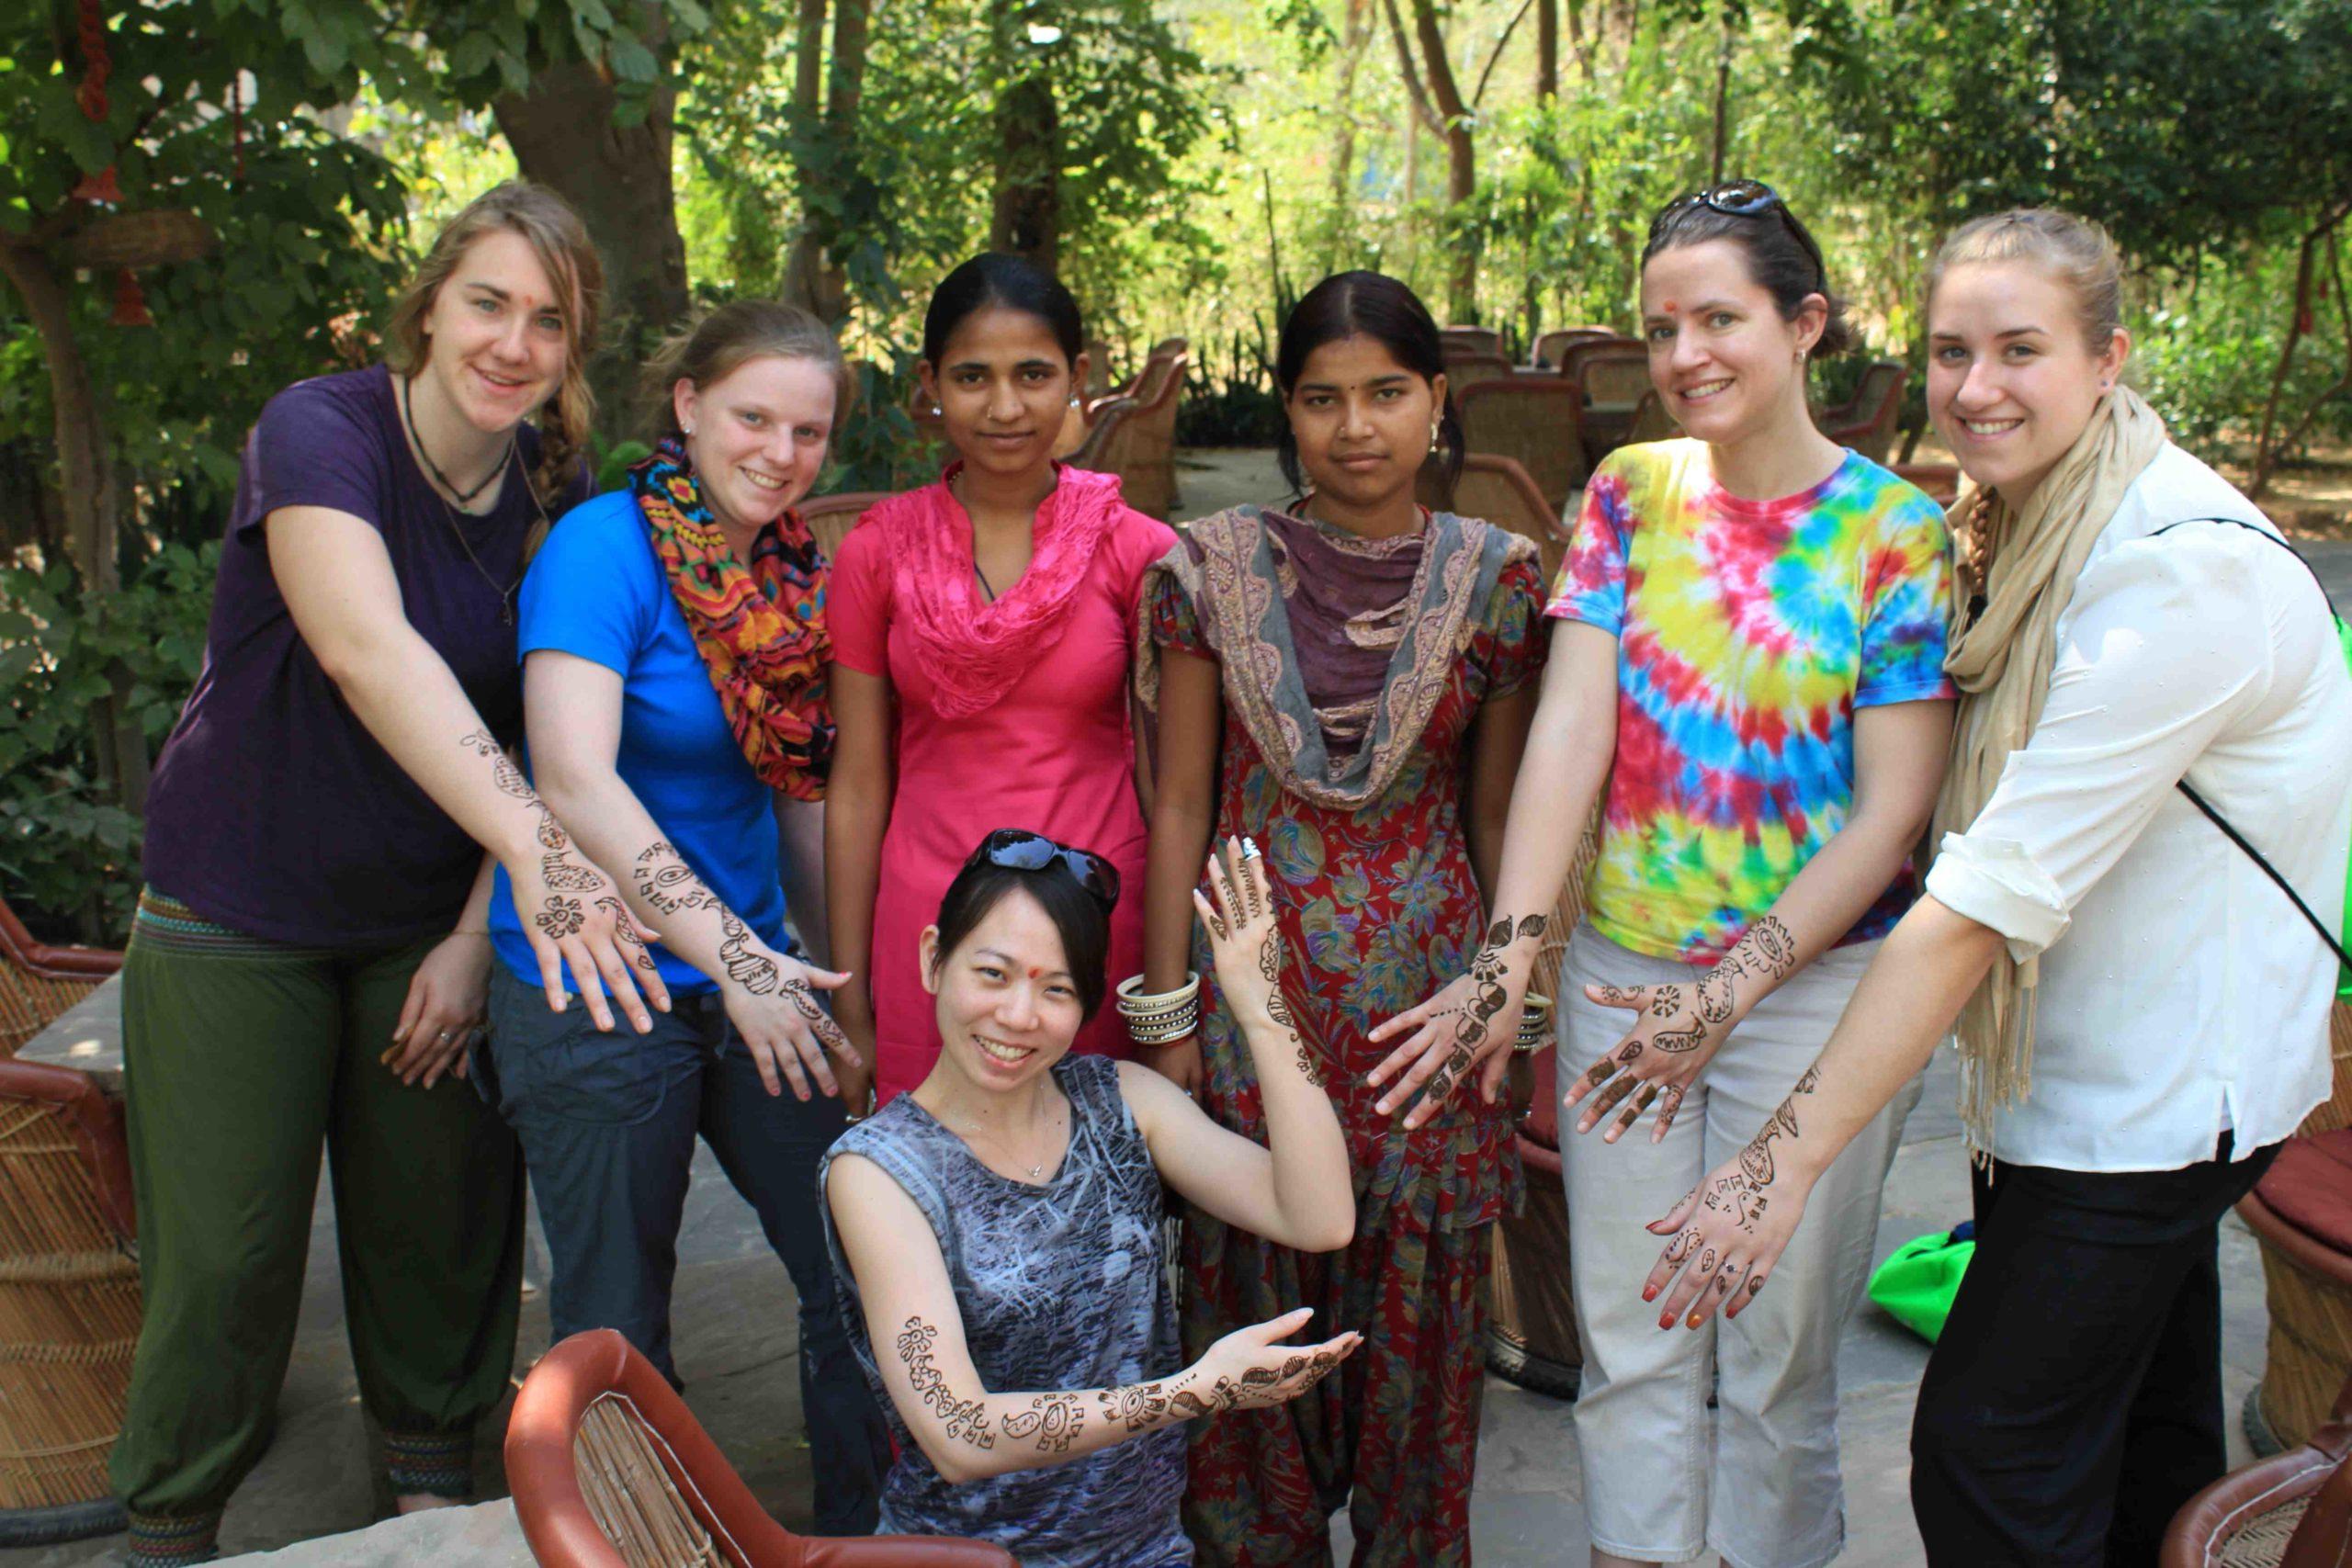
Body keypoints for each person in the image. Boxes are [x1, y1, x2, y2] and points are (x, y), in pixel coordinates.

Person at [1638, 208, 2352, 1566]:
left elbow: (1972, 904)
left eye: (2021, 349)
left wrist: (1779, 1164)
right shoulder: (2032, 531)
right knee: (2143, 1436)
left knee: (1988, 1453)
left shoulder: (2173, 576)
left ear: (2107, 358)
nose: (1977, 390)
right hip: (2093, 1077)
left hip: (2149, 1106)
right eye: (1952, 351)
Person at [1374, 182, 1959, 1568]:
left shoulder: (1895, 530)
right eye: (1661, 327)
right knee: (1631, 1338)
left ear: (1804, 323)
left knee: (1777, 1351)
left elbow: (1893, 814)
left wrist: (1737, 983)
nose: (1685, 352)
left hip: (1821, 998)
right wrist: (1513, 954)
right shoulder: (1632, 494)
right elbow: (1572, 730)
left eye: (1720, 318)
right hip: (1623, 986)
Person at [119, 182, 659, 1567]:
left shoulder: (555, 498)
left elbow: (547, 736)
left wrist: (483, 926)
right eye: (488, 301)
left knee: (442, 1230)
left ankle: (430, 1497)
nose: (513, 341)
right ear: (430, 305)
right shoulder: (322, 428)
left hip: (427, 917)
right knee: (230, 1256)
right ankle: (169, 1520)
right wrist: (543, 861)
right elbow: (370, 651)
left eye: (550, 319)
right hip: (236, 902)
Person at [1136, 270, 1546, 1565]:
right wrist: (1167, 1015)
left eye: (1385, 393)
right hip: (1264, 1002)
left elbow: (1496, 821)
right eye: (1322, 398)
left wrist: (1510, 1002)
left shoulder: (1499, 582)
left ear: (1437, 402)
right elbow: (1186, 800)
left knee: (1423, 1366)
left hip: (1432, 1012)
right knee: (1253, 1307)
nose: (1355, 426)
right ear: (1288, 411)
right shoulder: (1206, 571)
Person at [479, 299, 888, 1530]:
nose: (781, 451)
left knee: (861, 1254)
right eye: (755, 416)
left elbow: (803, 799)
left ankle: (864, 1534)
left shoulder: (789, 570)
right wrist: (745, 961)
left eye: (809, 430)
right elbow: (572, 775)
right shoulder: (603, 547)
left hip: (750, 964)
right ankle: (645, 1544)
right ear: (690, 406)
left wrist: (844, 992)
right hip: (600, 971)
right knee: (617, 1316)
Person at [821, 833, 1358, 1567]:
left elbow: (1320, 1216)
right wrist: (1191, 1392)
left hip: (1148, 1551)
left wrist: (1261, 1009)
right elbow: (956, 1432)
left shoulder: (1123, 1103)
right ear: (931, 958)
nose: (1017, 1014)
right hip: (969, 1558)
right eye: (992, 972)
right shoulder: (879, 1172)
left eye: (1056, 988)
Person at [825, 254, 1176, 1107]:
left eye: (1033, 374)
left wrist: (1172, 997)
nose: (1006, 406)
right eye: (973, 377)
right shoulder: (877, 554)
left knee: (1096, 1198)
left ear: (1079, 379)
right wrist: (849, 1003)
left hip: (1094, 928)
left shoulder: (1139, 552)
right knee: (934, 1198)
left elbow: (1171, 787)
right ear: (930, 383)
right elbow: (860, 781)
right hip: (929, 935)